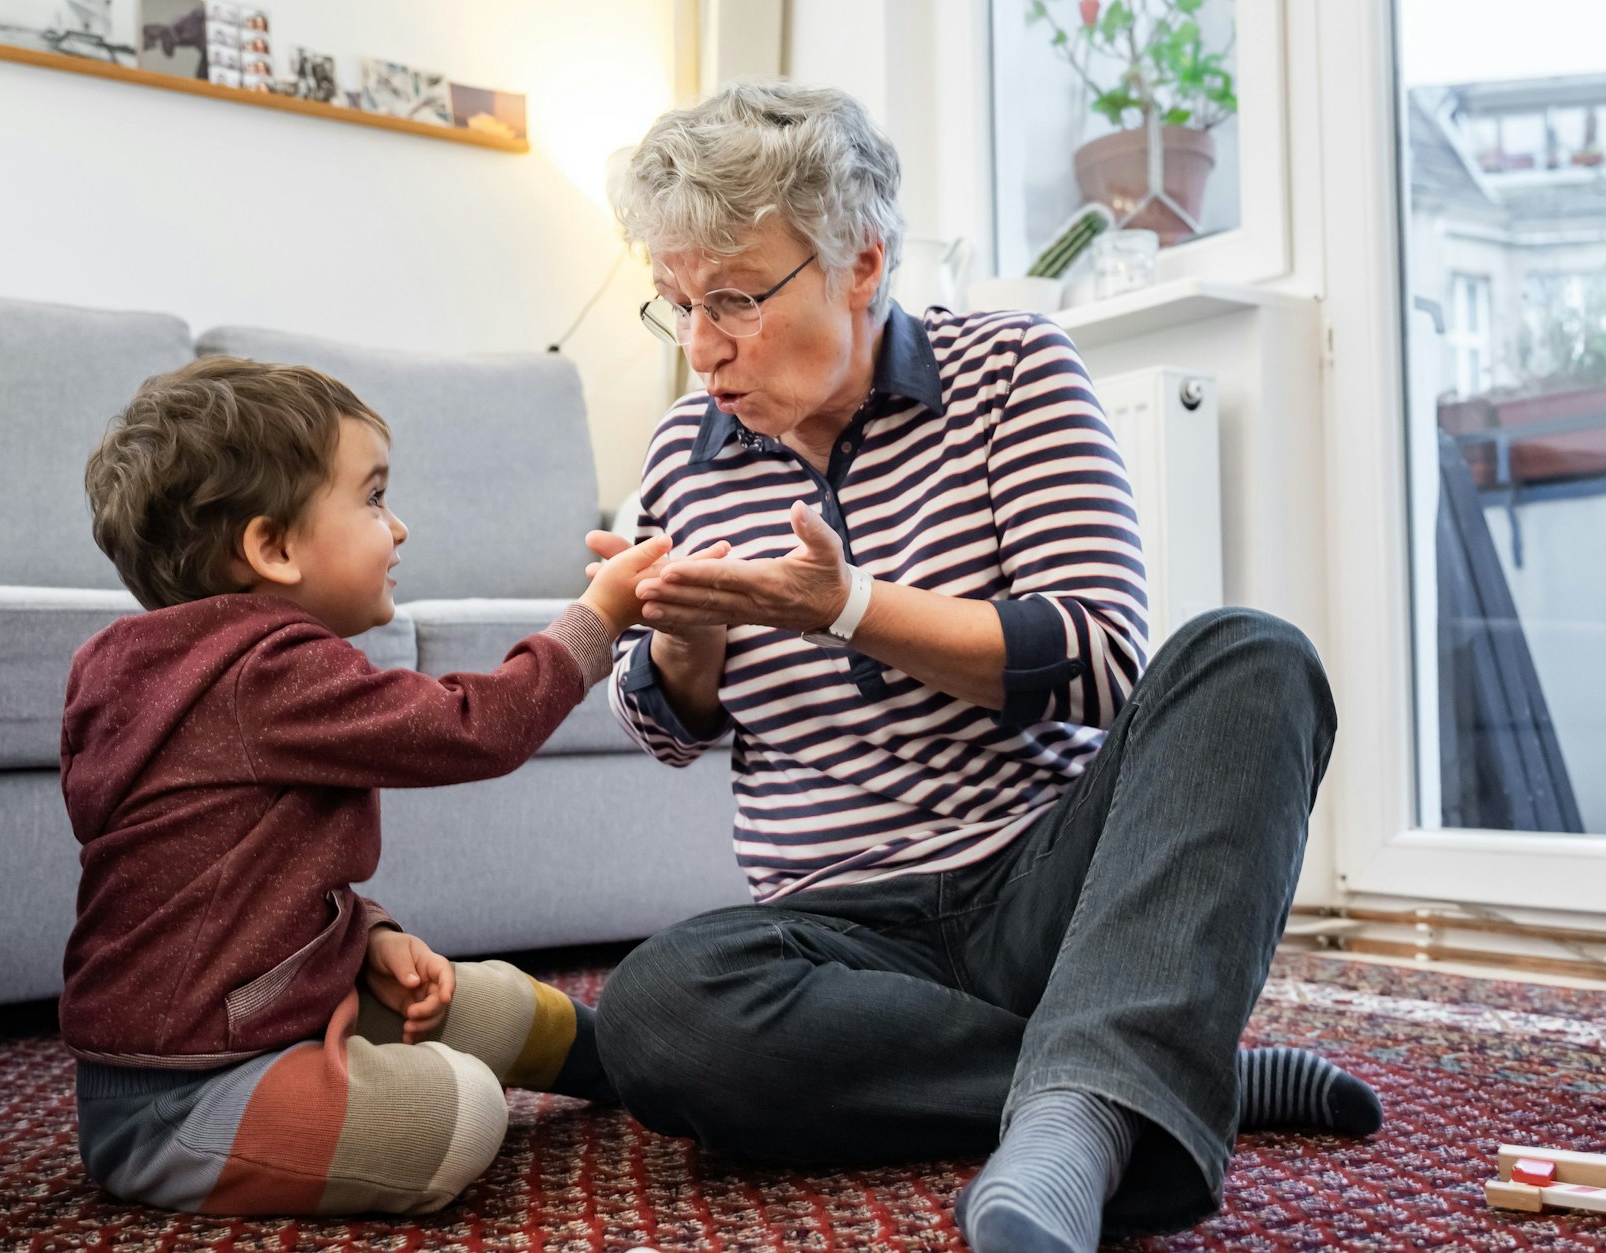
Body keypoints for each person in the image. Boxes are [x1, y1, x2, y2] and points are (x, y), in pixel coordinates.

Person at [585, 80, 1382, 1252]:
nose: (703, 349)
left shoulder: (1012, 371)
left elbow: (1101, 660)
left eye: (735, 299)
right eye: (676, 306)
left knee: (1249, 657)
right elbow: (664, 730)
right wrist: (684, 638)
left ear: (861, 263)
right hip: (840, 941)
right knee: (653, 1013)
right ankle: (1146, 1071)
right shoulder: (681, 451)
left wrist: (846, 608)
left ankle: (1088, 1091)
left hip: (1050, 889)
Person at [58, 356, 676, 1217]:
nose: (401, 527)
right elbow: (477, 727)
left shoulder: (155, 667)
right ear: (272, 548)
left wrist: (370, 932)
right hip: (182, 1100)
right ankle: (630, 1073)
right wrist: (599, 617)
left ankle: (667, 1069)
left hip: (268, 1024)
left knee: (487, 999)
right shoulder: (264, 669)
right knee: (460, 1111)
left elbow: (232, 868)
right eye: (374, 498)